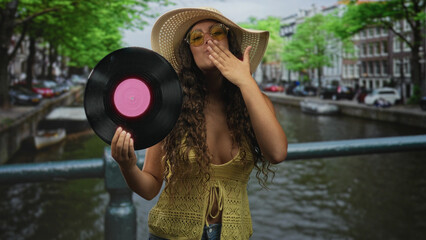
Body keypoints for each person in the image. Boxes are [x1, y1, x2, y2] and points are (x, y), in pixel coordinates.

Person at [111, 7, 288, 240]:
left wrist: (245, 81)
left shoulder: (252, 100)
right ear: (189, 53)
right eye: (197, 37)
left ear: (229, 42)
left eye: (217, 32)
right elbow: (150, 186)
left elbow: (276, 153)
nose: (208, 41)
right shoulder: (171, 106)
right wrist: (127, 166)